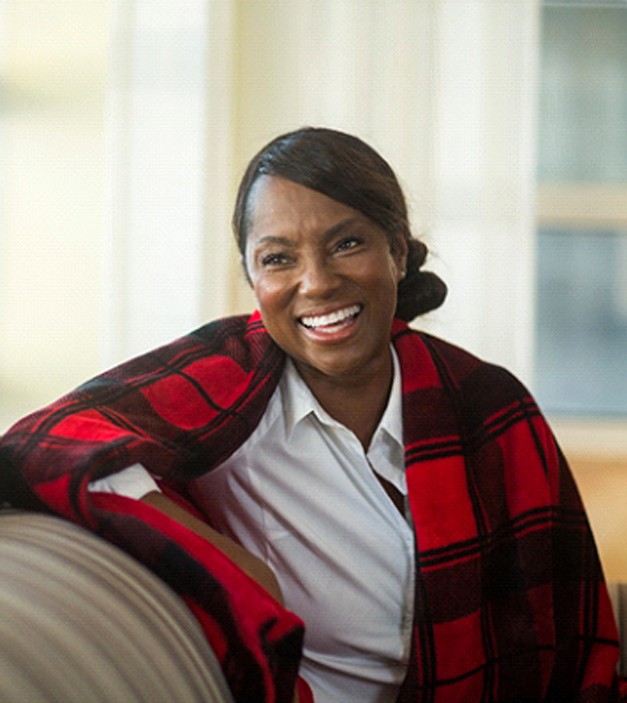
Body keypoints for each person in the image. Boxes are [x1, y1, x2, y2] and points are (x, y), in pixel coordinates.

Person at [0, 127, 620, 703]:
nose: (317, 283)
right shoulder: (223, 382)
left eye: (346, 244)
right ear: (250, 275)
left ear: (397, 252)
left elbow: (575, 635)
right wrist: (226, 563)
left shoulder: (488, 403)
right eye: (278, 259)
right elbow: (42, 442)